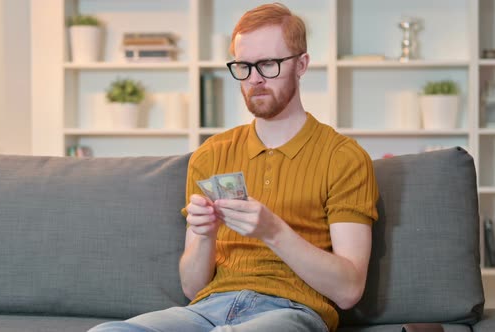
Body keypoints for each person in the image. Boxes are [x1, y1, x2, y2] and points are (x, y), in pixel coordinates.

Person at [88, 3, 378, 332]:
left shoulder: (343, 157)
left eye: (268, 64)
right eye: (244, 66)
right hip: (209, 307)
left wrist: (273, 231)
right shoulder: (211, 154)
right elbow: (192, 288)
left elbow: (349, 289)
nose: (254, 79)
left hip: (291, 311)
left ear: (301, 64)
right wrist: (205, 234)